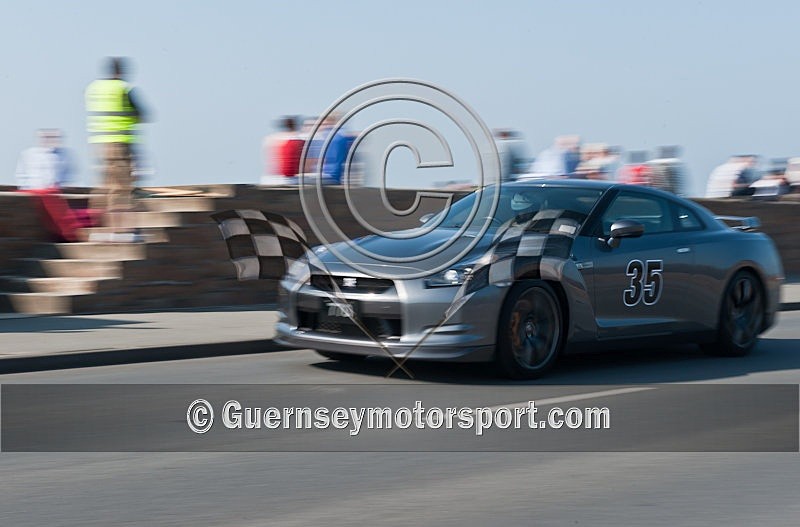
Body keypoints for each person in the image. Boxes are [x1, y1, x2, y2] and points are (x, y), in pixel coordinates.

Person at [85, 56, 148, 239]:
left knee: (104, 186)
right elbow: (142, 114)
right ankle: (121, 230)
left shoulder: (93, 88)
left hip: (98, 144)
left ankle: (95, 228)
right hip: (120, 143)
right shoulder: (123, 88)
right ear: (120, 72)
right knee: (121, 187)